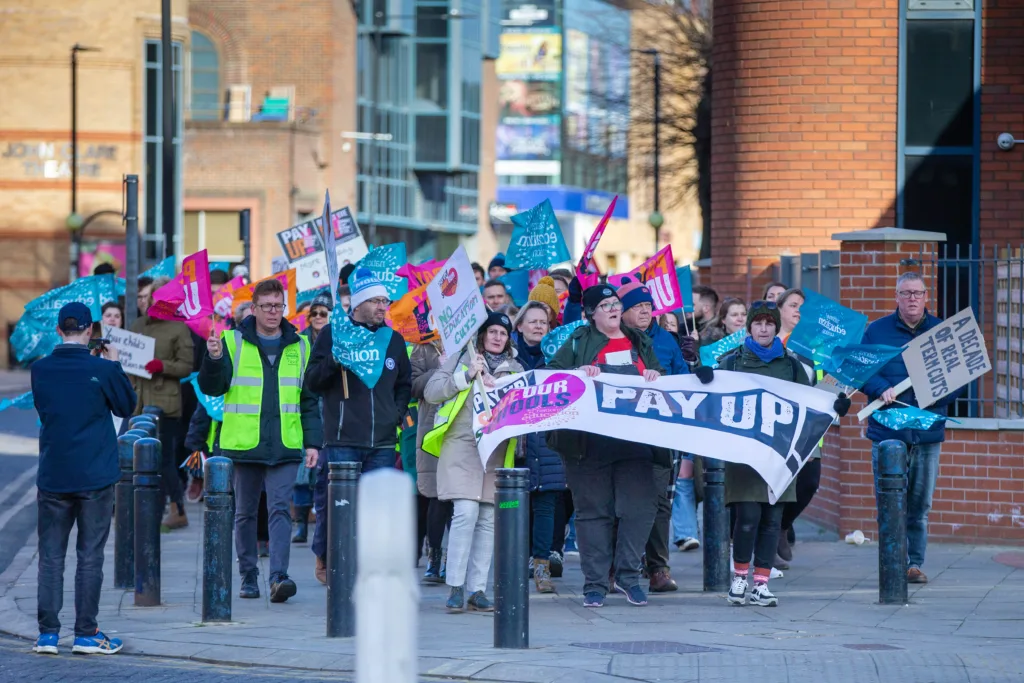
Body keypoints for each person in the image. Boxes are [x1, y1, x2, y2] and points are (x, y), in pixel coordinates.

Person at [715, 302, 850, 606]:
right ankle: (739, 579)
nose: (763, 329)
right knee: (748, 517)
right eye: (758, 323)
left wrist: (835, 407)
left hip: (780, 453)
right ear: (749, 327)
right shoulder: (731, 363)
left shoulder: (790, 365)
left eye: (769, 323)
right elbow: (713, 395)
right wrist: (703, 378)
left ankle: (761, 583)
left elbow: (811, 401)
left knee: (771, 520)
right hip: (745, 452)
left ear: (777, 327)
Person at [199, 277, 322, 603]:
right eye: (266, 306)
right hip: (242, 444)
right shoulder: (230, 341)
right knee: (245, 513)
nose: (272, 312)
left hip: (284, 444)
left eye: (278, 306)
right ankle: (248, 575)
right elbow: (213, 388)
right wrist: (211, 359)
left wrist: (313, 444)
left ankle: (278, 577)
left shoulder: (301, 345)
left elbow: (308, 400)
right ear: (253, 309)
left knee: (281, 509)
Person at [546, 284, 664, 608]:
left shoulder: (639, 340)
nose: (613, 308)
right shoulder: (578, 341)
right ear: (591, 314)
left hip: (635, 441)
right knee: (593, 514)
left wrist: (655, 374)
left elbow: (664, 380)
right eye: (605, 305)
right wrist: (576, 373)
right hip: (589, 445)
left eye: (615, 303)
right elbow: (553, 376)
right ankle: (595, 584)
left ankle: (628, 577)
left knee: (639, 509)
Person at [32, 303, 136, 656]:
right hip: (95, 474)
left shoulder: (40, 369)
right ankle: (86, 633)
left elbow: (47, 410)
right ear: (91, 330)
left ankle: (47, 634)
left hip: (54, 474)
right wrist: (114, 364)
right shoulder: (102, 368)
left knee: (50, 556)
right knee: (90, 555)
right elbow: (126, 406)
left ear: (59, 330)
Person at [304, 268, 411, 585]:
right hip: (342, 439)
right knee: (337, 507)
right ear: (360, 303)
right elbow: (312, 382)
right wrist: (335, 360)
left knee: (376, 510)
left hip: (381, 442)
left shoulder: (393, 340)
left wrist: (396, 412)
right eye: (377, 301)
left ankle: (367, 567)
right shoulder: (333, 334)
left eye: (385, 301)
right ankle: (328, 556)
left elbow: (403, 383)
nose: (383, 307)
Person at [861, 272, 960, 584]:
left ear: (926, 296)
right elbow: (863, 371)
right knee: (889, 502)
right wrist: (879, 389)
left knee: (919, 505)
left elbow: (958, 379)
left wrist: (932, 392)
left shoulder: (942, 332)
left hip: (927, 432)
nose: (912, 298)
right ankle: (892, 562)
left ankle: (914, 564)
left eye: (917, 293)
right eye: (906, 293)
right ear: (896, 297)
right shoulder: (876, 331)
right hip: (888, 433)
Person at [423, 312, 523, 612]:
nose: (497, 337)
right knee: (465, 513)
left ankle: (477, 590)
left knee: (488, 520)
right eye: (492, 331)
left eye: (503, 334)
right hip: (461, 446)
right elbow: (431, 392)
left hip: (494, 451)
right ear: (481, 335)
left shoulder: (516, 368)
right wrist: (465, 376)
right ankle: (455, 585)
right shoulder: (461, 358)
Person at [617, 277, 706, 592]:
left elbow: (683, 379)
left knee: (659, 502)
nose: (644, 312)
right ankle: (620, 566)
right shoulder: (612, 338)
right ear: (622, 312)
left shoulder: (666, 341)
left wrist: (695, 368)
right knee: (623, 501)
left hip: (660, 434)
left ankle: (658, 568)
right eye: (637, 306)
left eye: (647, 306)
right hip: (621, 434)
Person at [131, 277, 195, 531]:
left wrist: (162, 367)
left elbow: (186, 366)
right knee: (139, 459)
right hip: (139, 401)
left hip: (164, 405)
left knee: (165, 460)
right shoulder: (137, 325)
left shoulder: (178, 329)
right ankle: (147, 508)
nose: (150, 302)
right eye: (148, 298)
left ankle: (177, 509)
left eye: (156, 298)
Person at [511, 301, 567, 593]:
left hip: (548, 444)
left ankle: (542, 567)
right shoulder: (505, 359)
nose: (537, 327)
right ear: (519, 326)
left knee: (546, 508)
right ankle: (516, 564)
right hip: (515, 446)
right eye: (531, 321)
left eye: (543, 322)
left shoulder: (558, 358)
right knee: (515, 508)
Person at [772, 287, 819, 568]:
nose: (798, 310)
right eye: (792, 305)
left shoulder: (814, 347)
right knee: (778, 485)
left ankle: (783, 525)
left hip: (810, 427)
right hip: (779, 427)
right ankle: (768, 547)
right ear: (780, 309)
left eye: (803, 306)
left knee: (810, 482)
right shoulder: (770, 342)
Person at [289, 291, 332, 544]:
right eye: (314, 312)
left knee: (322, 471)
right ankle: (300, 524)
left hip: (328, 407)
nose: (317, 316)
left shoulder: (337, 340)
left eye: (323, 313)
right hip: (304, 406)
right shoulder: (299, 340)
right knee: (302, 469)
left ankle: (320, 523)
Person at [411, 338, 452, 583]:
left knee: (461, 498)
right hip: (432, 427)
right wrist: (441, 371)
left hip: (464, 426)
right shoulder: (423, 347)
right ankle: (434, 556)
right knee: (435, 495)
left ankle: (455, 558)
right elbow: (413, 385)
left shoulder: (474, 343)